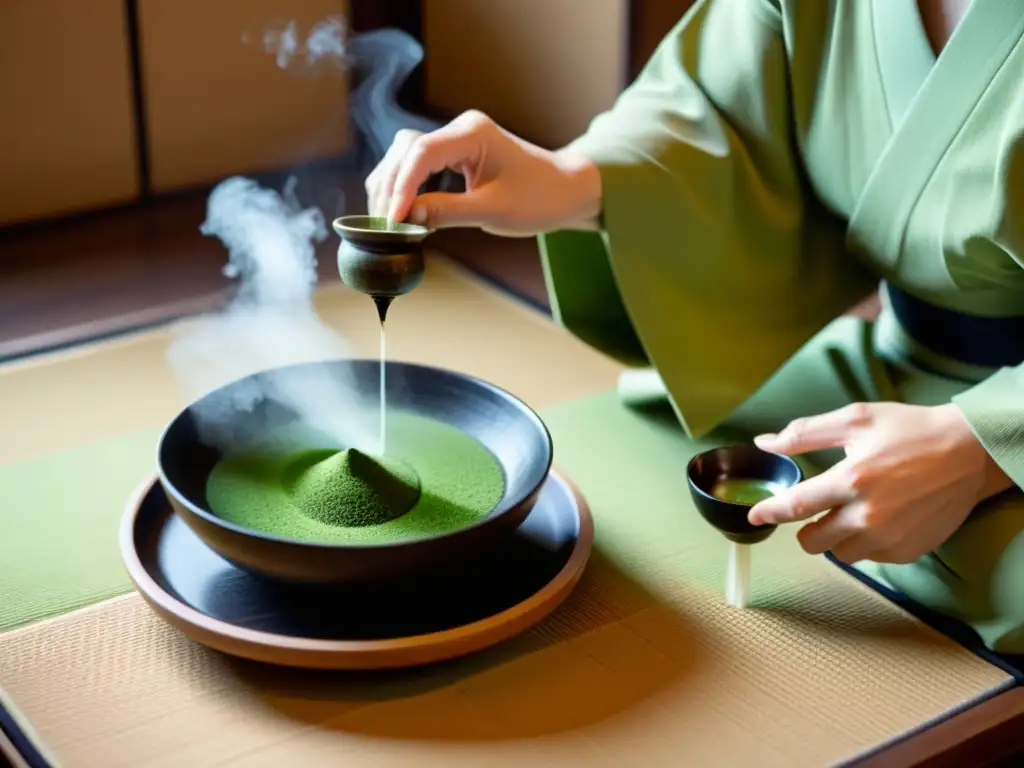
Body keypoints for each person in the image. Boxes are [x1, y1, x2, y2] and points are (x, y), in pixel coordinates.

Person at [365, 0, 1024, 655]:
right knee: (658, 430)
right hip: (897, 360)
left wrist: (978, 443)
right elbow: (719, 105)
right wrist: (571, 179)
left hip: (1008, 409)